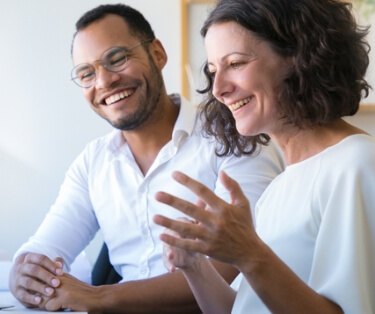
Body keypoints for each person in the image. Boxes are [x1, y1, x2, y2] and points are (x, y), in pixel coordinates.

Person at [8, 3, 285, 313]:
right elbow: (44, 248)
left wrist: (102, 297)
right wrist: (25, 272)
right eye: (87, 74)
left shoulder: (236, 137)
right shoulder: (93, 162)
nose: (103, 81)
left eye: (116, 59)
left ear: (157, 54)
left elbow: (232, 263)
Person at [153, 0, 375, 313]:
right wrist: (194, 266)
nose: (217, 89)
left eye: (236, 63)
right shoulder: (280, 186)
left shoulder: (357, 165)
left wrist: (249, 253)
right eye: (214, 70)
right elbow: (248, 308)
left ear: (300, 56)